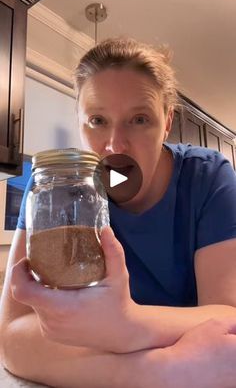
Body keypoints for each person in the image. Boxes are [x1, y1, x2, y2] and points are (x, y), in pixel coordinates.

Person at [1, 37, 236, 387]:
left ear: (167, 122)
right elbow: (12, 338)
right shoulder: (56, 188)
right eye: (97, 120)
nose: (115, 145)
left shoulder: (208, 178)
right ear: (79, 122)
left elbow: (228, 320)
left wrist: (127, 324)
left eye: (139, 119)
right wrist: (157, 370)